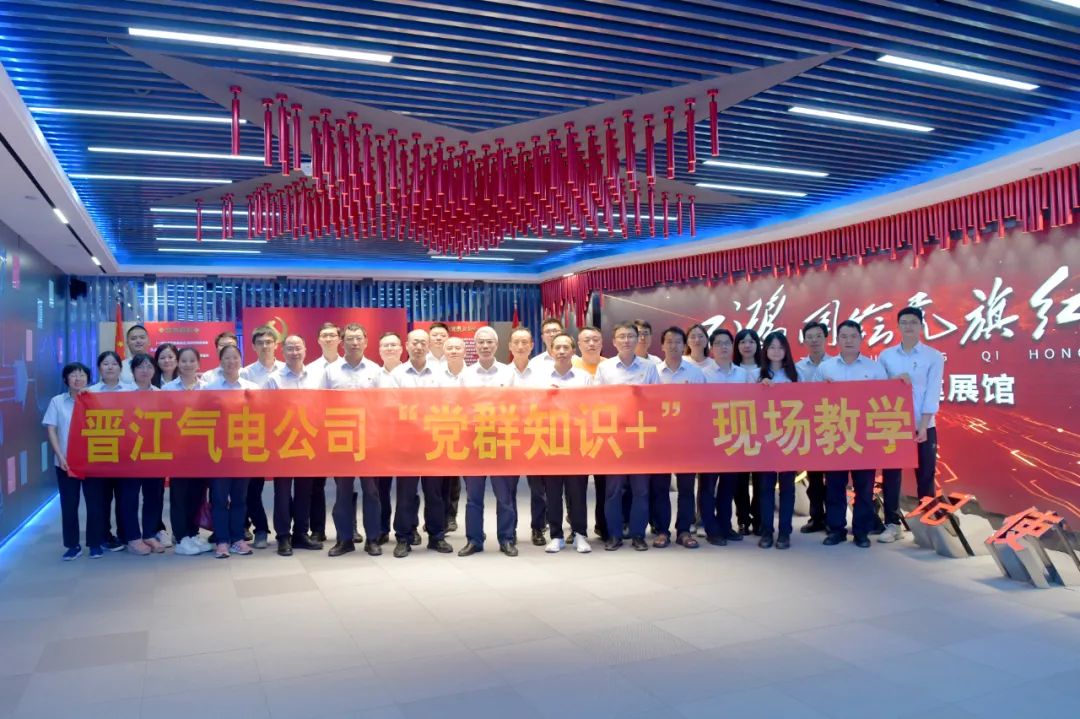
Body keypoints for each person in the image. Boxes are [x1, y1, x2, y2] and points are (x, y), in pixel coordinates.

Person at [877, 306, 944, 543]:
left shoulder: (933, 356)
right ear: (898, 326)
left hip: (924, 424)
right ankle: (892, 524)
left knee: (925, 475)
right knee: (891, 476)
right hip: (893, 425)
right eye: (904, 322)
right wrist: (894, 380)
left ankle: (928, 526)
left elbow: (932, 392)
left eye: (913, 322)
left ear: (921, 326)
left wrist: (923, 425)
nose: (908, 326)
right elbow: (878, 387)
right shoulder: (886, 356)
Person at [819, 320, 888, 549]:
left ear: (860, 338)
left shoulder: (874, 369)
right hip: (834, 434)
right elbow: (812, 400)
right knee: (834, 487)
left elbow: (885, 400)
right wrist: (822, 389)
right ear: (837, 340)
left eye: (853, 336)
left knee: (864, 488)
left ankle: (861, 532)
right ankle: (836, 530)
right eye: (844, 336)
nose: (848, 340)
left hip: (864, 437)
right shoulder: (826, 368)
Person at [594, 321, 660, 551]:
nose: (626, 340)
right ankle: (614, 535)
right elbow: (596, 401)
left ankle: (638, 534)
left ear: (637, 339)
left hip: (640, 437)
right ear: (614, 342)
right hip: (614, 438)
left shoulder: (649, 368)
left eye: (631, 336)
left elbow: (656, 400)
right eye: (621, 336)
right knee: (613, 490)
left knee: (641, 490)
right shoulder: (605, 368)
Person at [389, 329, 452, 558]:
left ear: (429, 346)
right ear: (407, 345)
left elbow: (446, 404)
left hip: (433, 441)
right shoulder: (397, 374)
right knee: (406, 493)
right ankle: (403, 537)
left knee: (435, 493)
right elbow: (391, 406)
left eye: (422, 343)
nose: (418, 346)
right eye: (414, 342)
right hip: (406, 443)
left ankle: (436, 536)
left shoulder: (440, 374)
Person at [457, 327, 519, 557]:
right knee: (473, 497)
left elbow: (516, 405)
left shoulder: (508, 373)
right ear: (475, 346)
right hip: (473, 442)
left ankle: (507, 539)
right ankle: (474, 540)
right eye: (481, 342)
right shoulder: (465, 374)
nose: (485, 346)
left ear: (496, 345)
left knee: (504, 496)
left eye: (489, 342)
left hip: (501, 442)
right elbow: (460, 406)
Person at [323, 323, 383, 556]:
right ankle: (344, 539)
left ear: (366, 342)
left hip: (369, 440)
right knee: (342, 492)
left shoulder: (376, 371)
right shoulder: (331, 371)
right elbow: (320, 404)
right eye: (349, 339)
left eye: (358, 338)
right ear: (342, 342)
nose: (354, 343)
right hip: (341, 439)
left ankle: (373, 539)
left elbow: (383, 405)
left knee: (371, 492)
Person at [531, 332, 593, 554]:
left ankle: (580, 534)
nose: (561, 351)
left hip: (576, 442)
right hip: (550, 442)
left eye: (566, 347)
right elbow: (533, 407)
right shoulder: (540, 378)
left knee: (577, 492)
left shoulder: (584, 378)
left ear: (573, 351)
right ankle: (556, 535)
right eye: (557, 347)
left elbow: (591, 408)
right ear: (551, 351)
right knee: (553, 492)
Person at [264, 335, 325, 556]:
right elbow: (267, 411)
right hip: (283, 442)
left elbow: (323, 407)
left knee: (304, 490)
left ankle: (300, 533)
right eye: (290, 348)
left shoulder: (317, 377)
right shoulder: (274, 379)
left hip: (308, 441)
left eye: (298, 348)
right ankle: (283, 536)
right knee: (282, 491)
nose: (294, 352)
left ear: (305, 350)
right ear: (282, 352)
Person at [201, 344, 258, 558]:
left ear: (240, 360)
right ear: (220, 361)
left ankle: (238, 539)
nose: (231, 362)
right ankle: (222, 541)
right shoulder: (210, 388)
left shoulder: (252, 388)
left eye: (235, 357)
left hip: (242, 452)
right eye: (226, 358)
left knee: (240, 499)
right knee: (218, 499)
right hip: (218, 453)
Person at [43, 361, 103, 560]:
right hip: (65, 463)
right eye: (73, 375)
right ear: (66, 379)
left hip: (92, 461)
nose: (78, 379)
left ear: (88, 378)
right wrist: (60, 456)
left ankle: (95, 543)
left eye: (82, 375)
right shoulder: (57, 402)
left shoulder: (96, 399)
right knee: (69, 505)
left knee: (95, 504)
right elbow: (51, 429)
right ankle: (72, 545)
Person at [699, 328, 752, 546]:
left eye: (727, 343)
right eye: (718, 343)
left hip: (734, 437)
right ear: (711, 348)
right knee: (708, 486)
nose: (723, 347)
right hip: (710, 437)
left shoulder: (742, 374)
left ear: (733, 347)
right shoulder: (702, 374)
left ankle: (725, 525)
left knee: (728, 485)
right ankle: (711, 529)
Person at [655, 327, 705, 549]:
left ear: (684, 345)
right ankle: (662, 530)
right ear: (662, 346)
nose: (673, 345)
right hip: (660, 439)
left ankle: (684, 530)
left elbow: (703, 405)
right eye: (669, 341)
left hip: (687, 439)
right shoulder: (654, 372)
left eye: (678, 342)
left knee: (686, 488)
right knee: (661, 488)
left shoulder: (695, 373)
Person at [162, 347, 212, 556]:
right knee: (179, 496)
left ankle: (193, 534)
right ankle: (181, 538)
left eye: (192, 360)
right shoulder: (168, 389)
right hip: (178, 452)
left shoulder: (208, 388)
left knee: (197, 495)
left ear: (198, 363)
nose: (188, 364)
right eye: (184, 360)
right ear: (178, 363)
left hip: (201, 451)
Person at [116, 353, 166, 555]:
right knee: (129, 497)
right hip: (130, 454)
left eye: (149, 366)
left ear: (154, 370)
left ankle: (149, 534)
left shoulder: (161, 394)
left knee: (153, 496)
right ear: (133, 371)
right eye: (140, 367)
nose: (145, 371)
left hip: (154, 453)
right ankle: (133, 537)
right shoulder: (123, 394)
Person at [238, 326, 283, 549]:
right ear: (253, 347)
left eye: (269, 342)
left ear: (276, 345)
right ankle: (261, 529)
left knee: (284, 488)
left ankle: (287, 532)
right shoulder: (245, 373)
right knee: (252, 488)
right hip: (255, 437)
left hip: (283, 435)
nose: (265, 346)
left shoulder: (285, 369)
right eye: (260, 343)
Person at [756, 331, 800, 550]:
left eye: (780, 347)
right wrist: (760, 387)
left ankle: (784, 532)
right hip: (765, 439)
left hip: (789, 438)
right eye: (771, 347)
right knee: (765, 488)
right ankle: (766, 531)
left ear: (786, 350)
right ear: (765, 350)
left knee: (787, 488)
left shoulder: (795, 374)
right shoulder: (756, 374)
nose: (775, 351)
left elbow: (808, 399)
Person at [88, 350, 134, 552]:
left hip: (125, 453)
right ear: (99, 368)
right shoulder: (90, 393)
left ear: (120, 368)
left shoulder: (131, 391)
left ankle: (124, 534)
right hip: (101, 452)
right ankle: (104, 535)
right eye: (105, 364)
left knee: (125, 498)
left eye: (114, 364)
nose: (109, 367)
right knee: (102, 499)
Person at [508, 327, 547, 546]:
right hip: (510, 437)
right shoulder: (502, 373)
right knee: (509, 488)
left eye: (525, 342)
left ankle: (538, 528)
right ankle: (510, 529)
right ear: (510, 346)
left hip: (535, 435)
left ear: (532, 345)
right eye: (516, 342)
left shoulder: (543, 373)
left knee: (538, 490)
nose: (520, 346)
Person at [306, 322, 342, 543]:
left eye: (332, 335)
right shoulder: (309, 369)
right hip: (317, 433)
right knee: (316, 485)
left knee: (345, 483)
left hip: (344, 432)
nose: (328, 339)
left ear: (339, 339)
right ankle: (317, 529)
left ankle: (349, 528)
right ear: (318, 340)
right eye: (324, 335)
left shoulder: (349, 366)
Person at [796, 321, 831, 534]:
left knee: (834, 478)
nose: (814, 340)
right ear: (804, 340)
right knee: (814, 477)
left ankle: (833, 518)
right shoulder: (798, 368)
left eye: (818, 336)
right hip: (809, 428)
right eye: (810, 337)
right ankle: (816, 517)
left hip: (833, 425)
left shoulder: (836, 364)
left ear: (826, 338)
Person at [373, 331, 403, 544]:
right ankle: (382, 528)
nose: (390, 348)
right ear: (380, 350)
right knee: (381, 488)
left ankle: (408, 527)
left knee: (407, 488)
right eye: (386, 345)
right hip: (381, 439)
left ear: (401, 349)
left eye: (394, 345)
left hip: (408, 437)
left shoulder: (410, 372)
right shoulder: (374, 376)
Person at [732, 327, 763, 536]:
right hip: (738, 429)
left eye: (751, 341)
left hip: (762, 430)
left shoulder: (766, 369)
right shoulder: (732, 369)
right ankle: (743, 519)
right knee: (740, 480)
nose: (747, 345)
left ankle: (758, 518)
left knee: (761, 479)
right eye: (743, 341)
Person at [437, 337, 465, 533]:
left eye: (457, 348)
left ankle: (451, 515)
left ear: (464, 351)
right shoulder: (436, 375)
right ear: (444, 351)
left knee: (458, 478)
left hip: (467, 431)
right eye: (450, 348)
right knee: (443, 477)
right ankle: (440, 517)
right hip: (442, 429)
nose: (454, 351)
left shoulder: (473, 374)